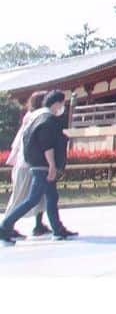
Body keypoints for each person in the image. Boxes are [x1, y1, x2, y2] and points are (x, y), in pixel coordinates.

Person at [0, 90, 78, 244]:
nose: (63, 107)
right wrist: (52, 165)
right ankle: (5, 226)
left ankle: (57, 229)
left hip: (36, 163)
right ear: (56, 103)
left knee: (51, 197)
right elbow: (46, 144)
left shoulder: (35, 117)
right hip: (42, 164)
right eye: (62, 103)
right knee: (33, 198)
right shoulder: (47, 119)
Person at [3, 91, 51, 238]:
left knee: (40, 196)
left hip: (32, 162)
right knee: (19, 196)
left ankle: (38, 224)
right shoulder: (34, 117)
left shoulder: (35, 116)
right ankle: (6, 225)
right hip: (26, 163)